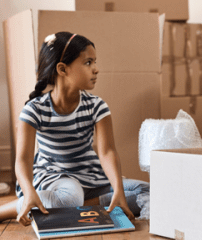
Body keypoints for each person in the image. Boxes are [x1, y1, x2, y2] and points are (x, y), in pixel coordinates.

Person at [0, 32, 149, 226]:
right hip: (54, 178)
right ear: (62, 69)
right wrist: (28, 191)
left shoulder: (97, 106)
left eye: (95, 62)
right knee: (70, 196)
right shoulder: (34, 110)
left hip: (90, 177)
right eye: (88, 62)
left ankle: (75, 207)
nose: (96, 69)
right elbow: (23, 159)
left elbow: (107, 152)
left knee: (146, 191)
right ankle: (11, 209)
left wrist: (118, 188)